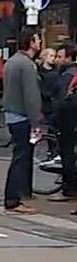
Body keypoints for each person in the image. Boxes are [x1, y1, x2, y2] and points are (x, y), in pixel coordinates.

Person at [2, 31, 46, 215]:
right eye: (38, 39)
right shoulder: (27, 65)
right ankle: (13, 200)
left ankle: (14, 197)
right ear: (32, 43)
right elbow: (31, 95)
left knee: (19, 156)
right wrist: (36, 119)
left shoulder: (12, 61)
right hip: (22, 116)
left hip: (12, 114)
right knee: (21, 158)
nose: (40, 42)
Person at [53, 43, 77, 206]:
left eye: (60, 57)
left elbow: (62, 100)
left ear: (69, 58)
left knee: (67, 155)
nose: (56, 60)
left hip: (68, 121)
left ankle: (69, 188)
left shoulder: (67, 75)